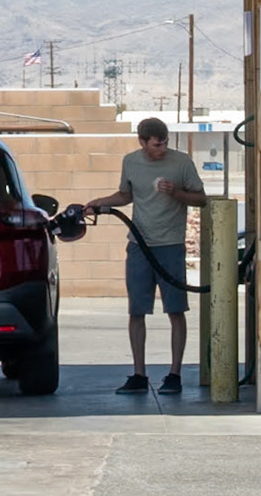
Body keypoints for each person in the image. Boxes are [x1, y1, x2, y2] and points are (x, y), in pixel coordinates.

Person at [86, 117, 206, 395]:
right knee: (137, 310)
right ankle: (139, 374)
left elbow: (201, 199)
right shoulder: (131, 162)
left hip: (171, 245)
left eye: (164, 143)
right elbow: (126, 195)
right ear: (142, 142)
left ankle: (174, 373)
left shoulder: (181, 162)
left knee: (175, 310)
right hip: (139, 245)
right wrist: (99, 203)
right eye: (156, 144)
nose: (161, 148)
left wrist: (176, 192)